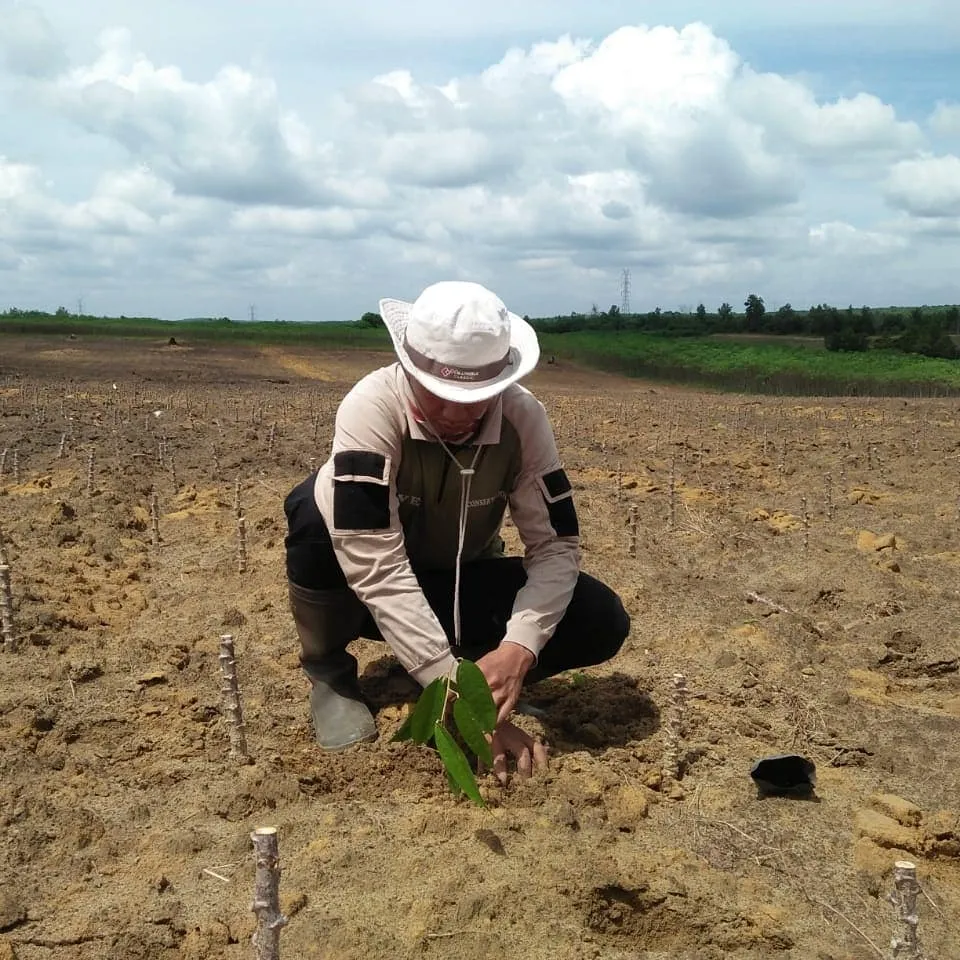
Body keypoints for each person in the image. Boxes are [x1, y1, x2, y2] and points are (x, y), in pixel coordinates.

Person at [283, 280, 630, 783]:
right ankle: (329, 673)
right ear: (408, 366)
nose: (458, 413)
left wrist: (519, 649)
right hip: (362, 597)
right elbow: (377, 565)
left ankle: (482, 671)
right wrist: (458, 699)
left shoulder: (522, 417)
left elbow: (556, 546)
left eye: (478, 397)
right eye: (441, 394)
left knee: (599, 616)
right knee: (315, 507)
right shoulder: (372, 407)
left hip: (458, 579)